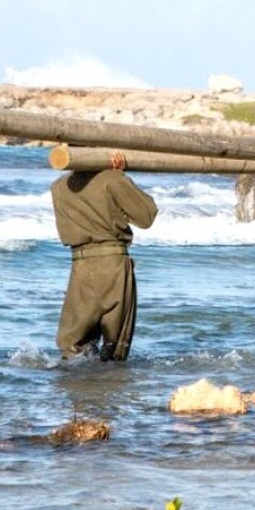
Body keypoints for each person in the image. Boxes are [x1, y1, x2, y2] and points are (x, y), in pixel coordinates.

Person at [50, 152, 157, 360]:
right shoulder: (112, 180)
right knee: (114, 349)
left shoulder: (59, 187)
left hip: (80, 267)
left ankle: (74, 391)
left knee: (73, 347)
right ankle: (110, 388)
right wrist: (121, 178)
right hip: (113, 265)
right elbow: (147, 215)